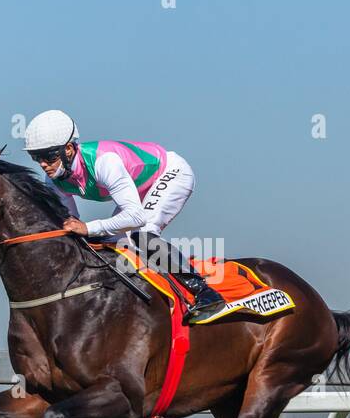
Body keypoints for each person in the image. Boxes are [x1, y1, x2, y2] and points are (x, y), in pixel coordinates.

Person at [21, 109, 226, 324]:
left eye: (49, 157)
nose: (43, 164)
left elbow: (135, 217)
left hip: (170, 173)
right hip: (137, 188)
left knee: (142, 235)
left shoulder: (103, 162)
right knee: (106, 242)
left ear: (69, 149)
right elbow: (71, 223)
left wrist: (88, 228)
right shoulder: (53, 179)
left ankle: (205, 292)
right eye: (36, 158)